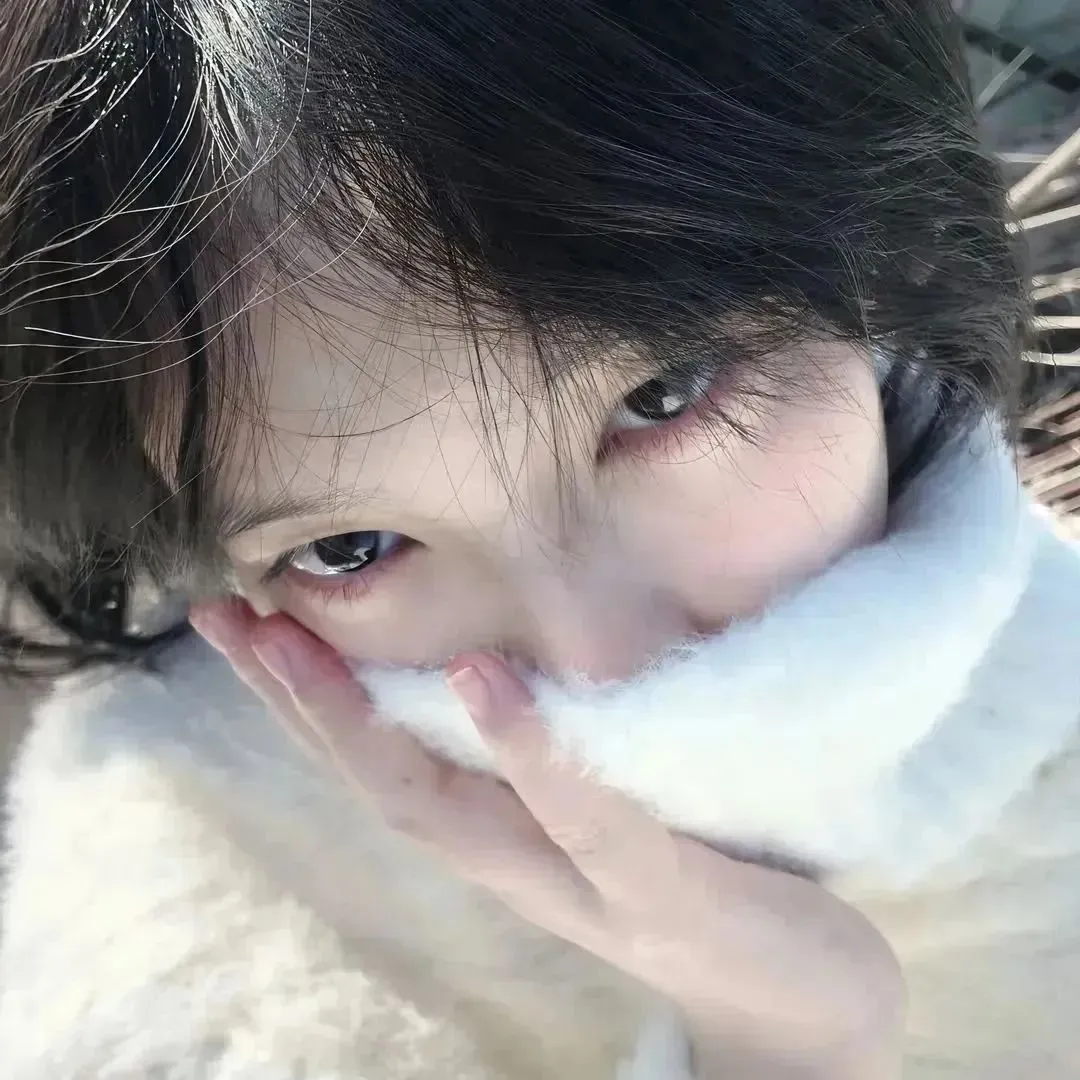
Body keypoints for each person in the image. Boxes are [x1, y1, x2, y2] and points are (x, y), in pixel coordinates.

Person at [0, 1, 1078, 1077]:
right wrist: (786, 1041)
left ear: (880, 256)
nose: (602, 670)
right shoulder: (184, 889)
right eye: (351, 548)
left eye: (664, 396)